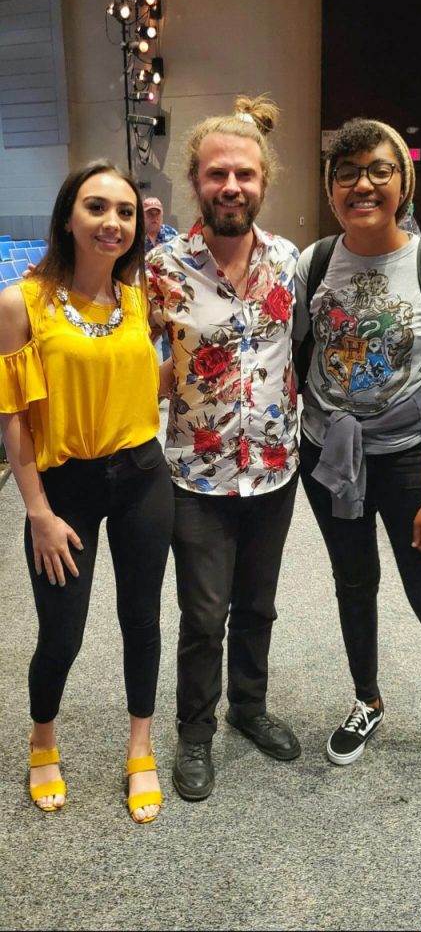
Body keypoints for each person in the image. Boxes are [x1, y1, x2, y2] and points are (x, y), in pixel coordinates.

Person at [294, 117, 421, 799]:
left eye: (378, 169)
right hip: (332, 456)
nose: (362, 184)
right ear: (330, 186)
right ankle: (368, 700)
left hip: (409, 461)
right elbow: (296, 359)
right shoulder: (313, 263)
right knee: (353, 584)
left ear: (403, 181)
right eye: (346, 173)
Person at [0, 161, 174, 823]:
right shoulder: (23, 302)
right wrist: (37, 511)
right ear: (68, 217)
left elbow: (138, 380)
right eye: (98, 208)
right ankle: (42, 739)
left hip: (141, 477)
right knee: (61, 635)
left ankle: (140, 746)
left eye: (125, 213)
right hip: (63, 488)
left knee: (142, 621)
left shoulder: (138, 300)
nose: (113, 223)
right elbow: (12, 417)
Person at [146, 95, 301, 801]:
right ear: (196, 181)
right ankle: (197, 732)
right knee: (204, 615)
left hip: (274, 469)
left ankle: (249, 709)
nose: (230, 186)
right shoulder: (163, 267)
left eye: (243, 174)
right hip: (194, 474)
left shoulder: (290, 261)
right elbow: (133, 357)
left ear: (263, 181)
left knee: (259, 606)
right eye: (216, 175)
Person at [143, 197, 177, 363]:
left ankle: (168, 379)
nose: (154, 218)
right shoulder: (134, 238)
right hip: (143, 295)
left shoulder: (172, 235)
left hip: (168, 295)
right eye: (150, 214)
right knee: (144, 338)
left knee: (170, 339)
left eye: (157, 214)